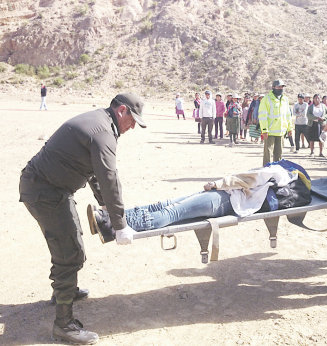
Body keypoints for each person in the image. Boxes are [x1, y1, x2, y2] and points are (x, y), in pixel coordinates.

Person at [19, 93, 147, 344]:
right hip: (46, 192)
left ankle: (65, 291)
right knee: (70, 254)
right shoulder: (103, 132)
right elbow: (110, 178)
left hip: (47, 187)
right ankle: (64, 325)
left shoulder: (100, 122)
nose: (133, 126)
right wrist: (120, 225)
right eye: (132, 120)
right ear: (121, 111)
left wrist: (105, 207)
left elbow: (95, 173)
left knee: (70, 244)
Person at [87, 162, 311, 240]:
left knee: (171, 211)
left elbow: (248, 178)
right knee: (165, 206)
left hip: (225, 201)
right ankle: (108, 218)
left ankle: (110, 224)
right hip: (230, 202)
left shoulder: (278, 172)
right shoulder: (285, 185)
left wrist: (216, 183)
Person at [258, 80, 292, 165]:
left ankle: (277, 173)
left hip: (281, 132)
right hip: (270, 132)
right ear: (273, 87)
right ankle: (266, 172)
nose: (280, 89)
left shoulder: (285, 99)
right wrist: (264, 130)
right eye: (278, 87)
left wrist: (289, 128)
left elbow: (288, 115)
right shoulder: (266, 99)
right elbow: (262, 116)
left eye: (282, 87)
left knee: (279, 155)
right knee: (268, 154)